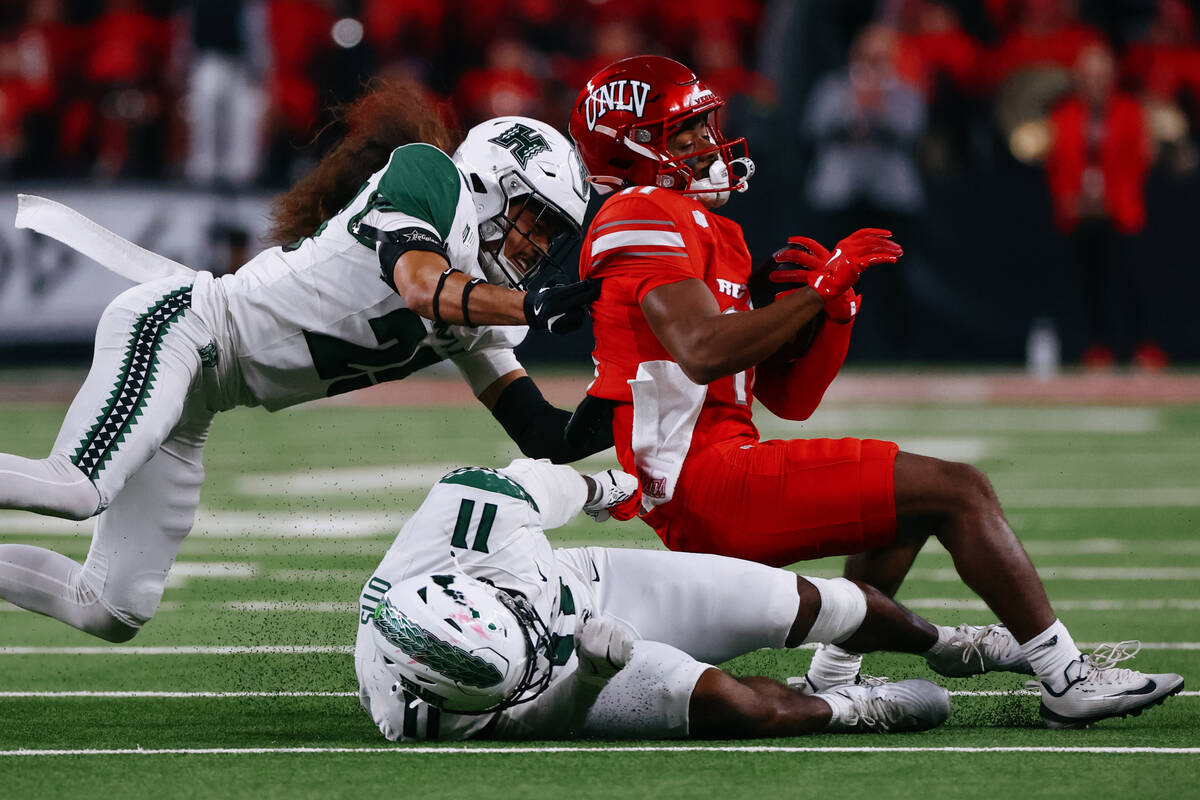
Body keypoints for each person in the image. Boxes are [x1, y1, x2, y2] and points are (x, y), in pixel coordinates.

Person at [566, 55, 1183, 729]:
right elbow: (703, 350)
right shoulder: (637, 211)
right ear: (631, 150)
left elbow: (790, 399)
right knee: (959, 488)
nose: (708, 145)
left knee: (914, 503)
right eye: (682, 136)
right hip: (701, 480)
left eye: (703, 127)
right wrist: (813, 295)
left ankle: (834, 672)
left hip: (722, 467)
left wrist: (833, 311)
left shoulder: (716, 232)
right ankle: (1066, 678)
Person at [0, 82, 605, 643]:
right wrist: (532, 306)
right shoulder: (432, 177)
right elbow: (424, 286)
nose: (541, 248)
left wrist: (647, 391)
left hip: (202, 394)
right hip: (180, 329)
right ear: (496, 184)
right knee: (76, 488)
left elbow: (543, 433)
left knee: (111, 606)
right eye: (538, 222)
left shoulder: (480, 315)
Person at [355, 457, 956, 741]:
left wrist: (600, 489)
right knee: (729, 707)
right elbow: (547, 717)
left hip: (583, 582)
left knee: (799, 603)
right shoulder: (421, 715)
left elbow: (543, 483)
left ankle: (954, 646)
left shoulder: (470, 516)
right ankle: (848, 708)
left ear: (474, 582)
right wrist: (589, 675)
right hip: (574, 671)